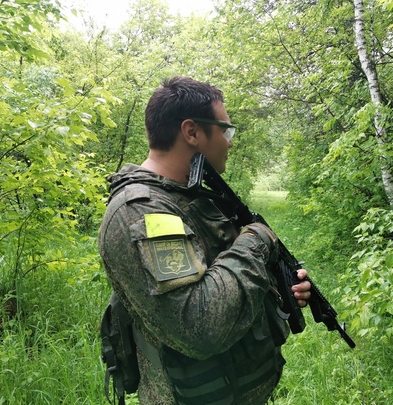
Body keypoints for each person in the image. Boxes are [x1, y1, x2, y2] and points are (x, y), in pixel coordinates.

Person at [98, 76, 311, 405]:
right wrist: (256, 239)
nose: (230, 143)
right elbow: (199, 326)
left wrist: (278, 286)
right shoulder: (142, 212)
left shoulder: (189, 196)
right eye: (225, 131)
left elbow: (220, 273)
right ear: (192, 132)